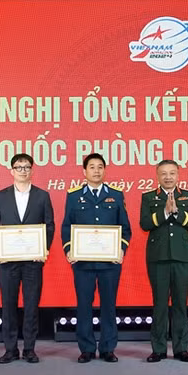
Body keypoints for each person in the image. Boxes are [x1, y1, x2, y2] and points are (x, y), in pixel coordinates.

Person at [61, 153, 131, 363]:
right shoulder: (73, 196)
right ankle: (87, 348)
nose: (96, 170)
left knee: (109, 305)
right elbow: (67, 226)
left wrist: (120, 249)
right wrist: (69, 250)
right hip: (83, 263)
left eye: (100, 166)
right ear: (84, 171)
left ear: (105, 170)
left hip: (110, 263)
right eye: (92, 167)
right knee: (84, 305)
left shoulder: (116, 195)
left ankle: (108, 347)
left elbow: (125, 228)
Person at [0, 154, 55, 364]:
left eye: (27, 167)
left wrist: (42, 249)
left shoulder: (42, 196)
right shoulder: (0, 196)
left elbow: (49, 225)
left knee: (31, 305)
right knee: (8, 305)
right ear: (12, 171)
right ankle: (10, 349)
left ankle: (29, 348)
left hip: (33, 262)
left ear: (32, 170)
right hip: (8, 261)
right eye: (19, 167)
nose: (23, 171)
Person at [139, 160, 188, 363]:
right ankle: (159, 349)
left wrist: (177, 212)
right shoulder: (148, 197)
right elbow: (145, 224)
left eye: (172, 173)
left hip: (182, 257)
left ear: (178, 175)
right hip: (158, 257)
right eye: (163, 173)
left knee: (181, 304)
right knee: (160, 305)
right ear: (157, 176)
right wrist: (164, 212)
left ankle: (182, 348)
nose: (168, 177)